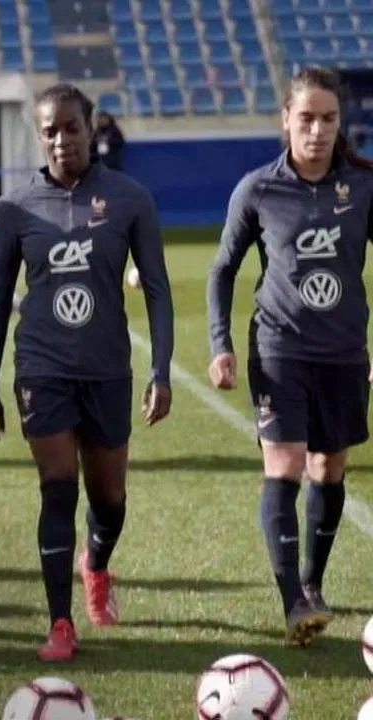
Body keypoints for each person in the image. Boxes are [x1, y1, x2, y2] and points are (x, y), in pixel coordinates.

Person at [0, 83, 175, 662]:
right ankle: (60, 624)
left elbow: (158, 290)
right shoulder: (14, 208)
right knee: (57, 488)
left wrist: (161, 369)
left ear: (91, 129)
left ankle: (98, 564)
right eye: (49, 131)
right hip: (41, 366)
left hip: (108, 369)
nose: (61, 140)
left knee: (109, 497)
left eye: (71, 128)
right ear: (39, 137)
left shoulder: (130, 198)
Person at [206, 66, 373, 647]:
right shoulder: (258, 189)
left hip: (345, 352)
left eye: (329, 118)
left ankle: (313, 584)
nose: (318, 129)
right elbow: (223, 269)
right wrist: (220, 344)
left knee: (329, 470)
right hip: (279, 347)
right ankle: (291, 603)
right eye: (307, 117)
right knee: (285, 464)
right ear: (286, 120)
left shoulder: (363, 185)